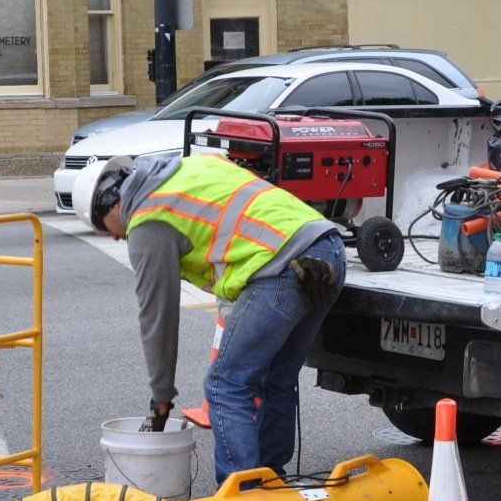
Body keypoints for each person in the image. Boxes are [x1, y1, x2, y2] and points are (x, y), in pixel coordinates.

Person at [80, 151, 345, 483]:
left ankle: (243, 495)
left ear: (112, 206)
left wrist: (161, 396)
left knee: (225, 384)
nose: (117, 238)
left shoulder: (147, 220)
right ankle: (272, 485)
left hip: (281, 268)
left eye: (107, 230)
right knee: (276, 377)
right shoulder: (188, 168)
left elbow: (157, 317)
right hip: (327, 249)